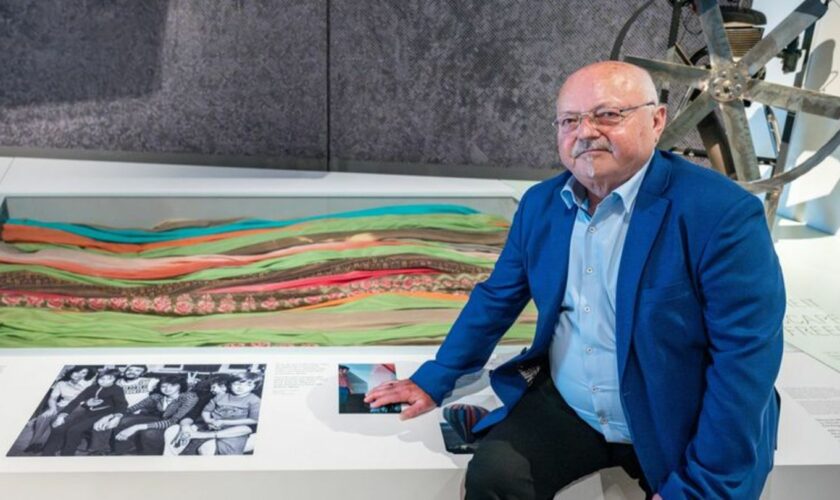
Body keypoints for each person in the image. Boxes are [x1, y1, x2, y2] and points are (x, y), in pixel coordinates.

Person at [365, 61, 785, 499]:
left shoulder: (721, 214)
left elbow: (744, 360)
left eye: (607, 115)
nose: (585, 132)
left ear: (657, 120)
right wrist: (436, 376)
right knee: (494, 480)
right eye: (569, 120)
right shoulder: (541, 205)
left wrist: (703, 486)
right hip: (574, 406)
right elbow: (496, 300)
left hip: (679, 411)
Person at [88, 374, 198, 455]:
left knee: (149, 433)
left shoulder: (188, 397)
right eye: (164, 386)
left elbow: (173, 421)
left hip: (177, 425)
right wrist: (111, 416)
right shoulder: (157, 397)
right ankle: (119, 452)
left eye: (172, 385)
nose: (167, 389)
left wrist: (135, 427)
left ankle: (150, 459)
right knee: (123, 420)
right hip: (157, 419)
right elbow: (132, 408)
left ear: (180, 386)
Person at [164, 372, 262, 456]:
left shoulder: (255, 400)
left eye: (248, 385)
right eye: (236, 384)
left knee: (208, 447)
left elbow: (253, 421)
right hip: (211, 424)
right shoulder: (219, 397)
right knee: (176, 432)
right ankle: (172, 459)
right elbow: (203, 412)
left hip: (235, 429)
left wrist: (223, 422)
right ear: (231, 384)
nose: (240, 387)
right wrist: (207, 420)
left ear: (254, 386)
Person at [9, 365, 96, 454]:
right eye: (78, 371)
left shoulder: (87, 383)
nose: (79, 374)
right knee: (43, 418)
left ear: (86, 375)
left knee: (57, 422)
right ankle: (35, 443)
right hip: (61, 405)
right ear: (72, 372)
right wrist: (52, 408)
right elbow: (52, 398)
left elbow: (91, 399)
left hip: (78, 407)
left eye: (84, 373)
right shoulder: (61, 384)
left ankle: (48, 445)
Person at [42, 368, 128, 456]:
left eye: (109, 379)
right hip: (87, 413)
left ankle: (67, 455)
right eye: (102, 378)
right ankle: (47, 454)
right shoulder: (91, 388)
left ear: (115, 379)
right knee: (59, 427)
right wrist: (62, 415)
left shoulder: (117, 389)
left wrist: (117, 417)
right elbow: (76, 401)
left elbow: (122, 404)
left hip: (103, 415)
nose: (104, 381)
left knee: (74, 430)